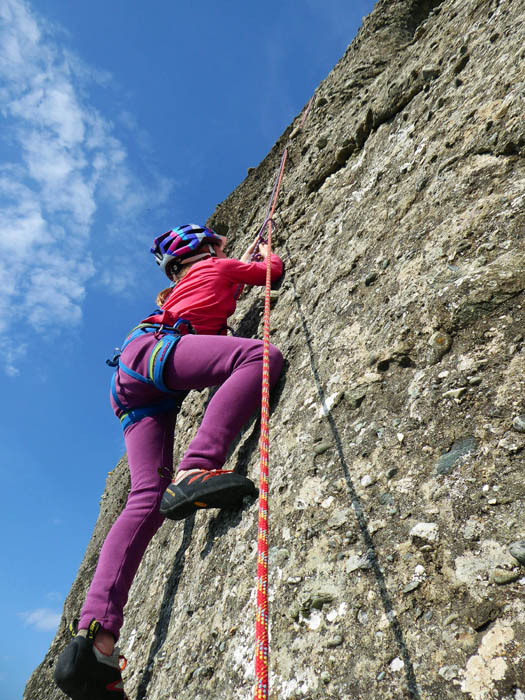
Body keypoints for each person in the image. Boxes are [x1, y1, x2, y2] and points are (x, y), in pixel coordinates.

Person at [54, 224, 284, 699]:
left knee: (144, 499)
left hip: (131, 380)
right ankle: (199, 464)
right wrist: (264, 254)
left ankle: (95, 641)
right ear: (209, 249)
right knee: (260, 356)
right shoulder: (218, 266)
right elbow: (269, 273)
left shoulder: (178, 289)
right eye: (219, 245)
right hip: (157, 355)